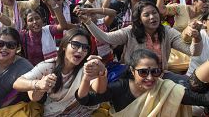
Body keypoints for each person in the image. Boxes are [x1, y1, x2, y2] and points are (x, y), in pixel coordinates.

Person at [78, 0, 202, 83]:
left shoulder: (167, 31)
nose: (152, 17)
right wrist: (88, 22)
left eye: (154, 13)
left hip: (160, 76)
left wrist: (197, 38)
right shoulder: (130, 31)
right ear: (139, 19)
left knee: (190, 85)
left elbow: (192, 52)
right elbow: (105, 38)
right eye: (146, 15)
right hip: (133, 77)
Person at [76, 49, 209, 116]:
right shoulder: (121, 87)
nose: (150, 78)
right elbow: (86, 100)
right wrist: (87, 77)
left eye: (155, 72)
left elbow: (201, 99)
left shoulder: (165, 88)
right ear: (132, 71)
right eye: (143, 72)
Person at [13, 28, 101, 116]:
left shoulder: (86, 67)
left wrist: (102, 73)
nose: (80, 50)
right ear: (64, 46)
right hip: (56, 112)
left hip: (82, 111)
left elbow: (97, 88)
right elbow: (17, 83)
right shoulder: (49, 66)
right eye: (76, 45)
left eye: (85, 47)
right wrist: (38, 84)